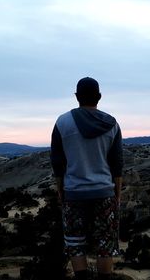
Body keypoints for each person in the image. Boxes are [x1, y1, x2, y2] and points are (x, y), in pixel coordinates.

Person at [50, 77, 123, 280]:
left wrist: (60, 191)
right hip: (105, 192)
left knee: (75, 242)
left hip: (73, 193)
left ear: (76, 97)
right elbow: (117, 165)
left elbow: (58, 164)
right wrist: (116, 195)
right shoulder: (112, 124)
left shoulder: (62, 123)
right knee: (105, 243)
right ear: (99, 97)